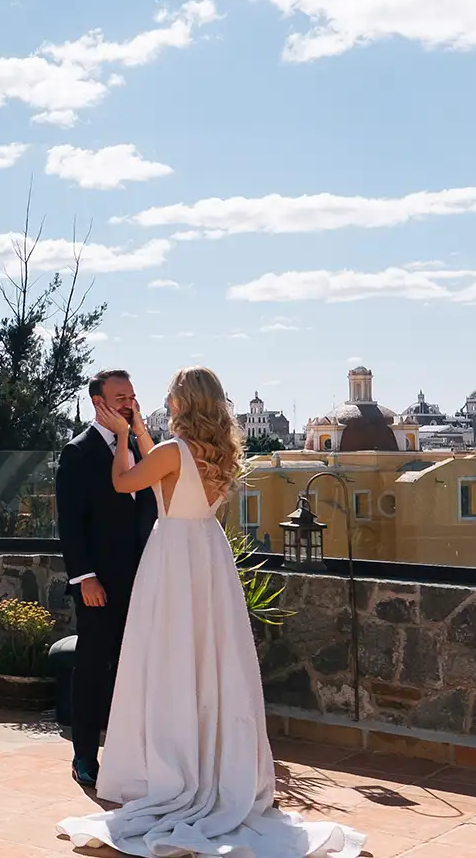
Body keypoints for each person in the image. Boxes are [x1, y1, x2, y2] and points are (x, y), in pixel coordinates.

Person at [58, 367, 365, 857]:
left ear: (182, 402)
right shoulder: (220, 453)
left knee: (171, 659)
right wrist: (136, 430)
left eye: (170, 396)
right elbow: (165, 461)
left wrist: (121, 439)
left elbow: (124, 482)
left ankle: (171, 766)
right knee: (211, 660)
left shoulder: (170, 452)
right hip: (209, 553)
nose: (162, 400)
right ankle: (213, 765)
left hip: (174, 557)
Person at [54, 369, 157, 789]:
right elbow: (71, 525)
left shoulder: (141, 447)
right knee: (94, 667)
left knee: (136, 667)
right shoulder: (77, 452)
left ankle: (132, 753)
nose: (129, 402)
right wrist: (85, 578)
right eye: (120, 396)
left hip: (145, 578)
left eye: (132, 395)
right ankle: (83, 755)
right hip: (99, 583)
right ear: (99, 402)